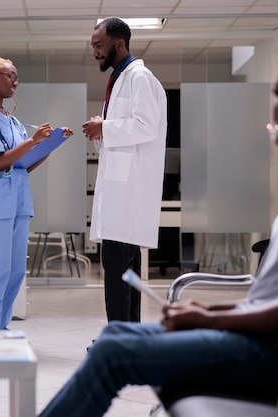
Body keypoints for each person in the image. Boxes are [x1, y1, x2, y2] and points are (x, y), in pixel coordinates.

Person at [38, 62, 278, 417]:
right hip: (260, 336)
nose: (277, 138)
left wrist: (212, 320)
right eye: (273, 126)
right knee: (113, 337)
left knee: (114, 354)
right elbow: (272, 298)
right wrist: (206, 309)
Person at [0, 57, 72, 331]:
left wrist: (51, 144)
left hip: (18, 203)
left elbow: (24, 164)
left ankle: (0, 328)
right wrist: (33, 141)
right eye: (10, 76)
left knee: (13, 273)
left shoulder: (14, 122)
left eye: (16, 77)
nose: (15, 82)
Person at [82, 17, 167, 323]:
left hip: (128, 193)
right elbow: (123, 133)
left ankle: (119, 338)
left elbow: (147, 126)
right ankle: (130, 335)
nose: (95, 53)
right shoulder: (120, 78)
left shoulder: (139, 77)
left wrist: (103, 126)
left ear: (119, 43)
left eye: (99, 46)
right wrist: (101, 131)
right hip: (121, 191)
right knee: (125, 270)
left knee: (117, 270)